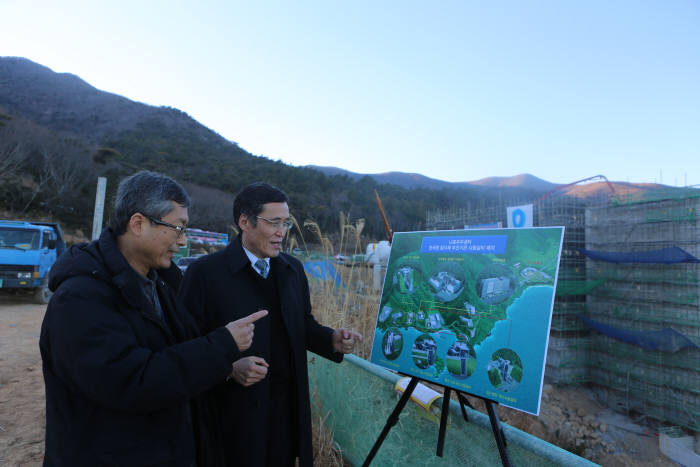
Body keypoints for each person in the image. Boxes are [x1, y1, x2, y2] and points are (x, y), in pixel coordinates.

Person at [39, 171, 267, 466]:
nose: (182, 241)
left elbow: (175, 354)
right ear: (138, 224)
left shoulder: (157, 284)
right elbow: (133, 381)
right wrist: (222, 345)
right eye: (177, 228)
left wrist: (227, 367)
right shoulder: (80, 299)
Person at [179, 182, 362, 467]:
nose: (281, 232)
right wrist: (228, 369)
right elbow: (186, 346)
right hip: (231, 418)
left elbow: (302, 324)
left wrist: (331, 339)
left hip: (284, 413)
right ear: (244, 222)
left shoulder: (292, 270)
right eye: (273, 222)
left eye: (286, 223)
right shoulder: (204, 274)